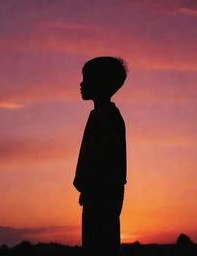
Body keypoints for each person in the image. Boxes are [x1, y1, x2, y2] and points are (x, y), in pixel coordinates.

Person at [73, 56, 127, 256]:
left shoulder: (107, 118)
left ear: (100, 84)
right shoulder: (101, 115)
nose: (81, 84)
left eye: (87, 79)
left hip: (101, 201)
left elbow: (110, 167)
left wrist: (94, 190)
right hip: (95, 199)